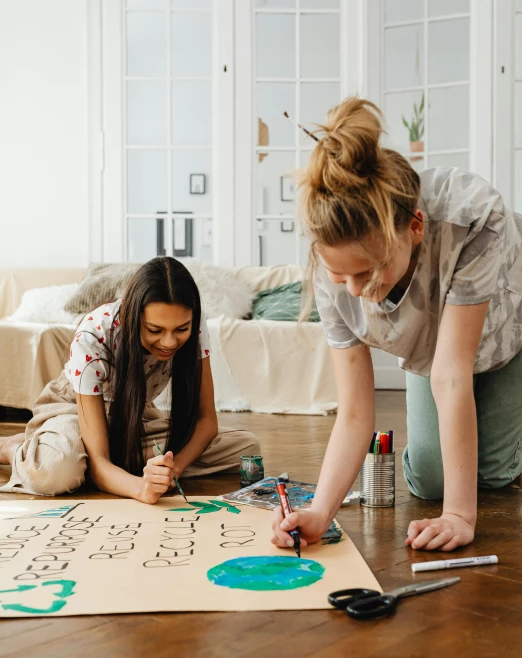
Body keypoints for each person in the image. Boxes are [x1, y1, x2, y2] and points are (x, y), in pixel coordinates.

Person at [272, 96, 522, 553]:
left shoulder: (473, 218)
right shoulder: (335, 265)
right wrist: (319, 512)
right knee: (430, 480)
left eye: (367, 272)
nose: (351, 290)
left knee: (492, 475)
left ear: (416, 228)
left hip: (505, 326)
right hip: (432, 343)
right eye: (339, 274)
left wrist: (460, 516)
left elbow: (451, 376)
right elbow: (353, 412)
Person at [0, 257, 260, 502]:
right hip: (74, 411)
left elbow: (206, 421)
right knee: (58, 472)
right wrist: (140, 488)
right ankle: (14, 450)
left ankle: (86, 462)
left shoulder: (194, 321)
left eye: (181, 330)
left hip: (133, 416)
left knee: (245, 447)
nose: (170, 342)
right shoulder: (93, 334)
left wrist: (173, 470)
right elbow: (101, 460)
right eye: (155, 330)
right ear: (131, 318)